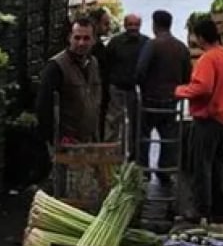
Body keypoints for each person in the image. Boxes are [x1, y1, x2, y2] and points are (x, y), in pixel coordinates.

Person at [174, 18, 223, 220]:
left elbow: (202, 87)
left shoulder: (208, 59)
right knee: (217, 165)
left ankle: (200, 209)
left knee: (201, 166)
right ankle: (219, 208)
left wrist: (180, 91)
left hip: (209, 120)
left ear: (201, 37)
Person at [36, 17, 104, 190]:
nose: (81, 43)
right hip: (65, 142)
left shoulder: (94, 63)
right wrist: (52, 140)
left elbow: (98, 99)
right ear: (69, 38)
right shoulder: (56, 67)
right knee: (63, 187)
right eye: (77, 37)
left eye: (86, 38)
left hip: (88, 141)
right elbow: (43, 107)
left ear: (94, 40)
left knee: (83, 187)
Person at [134, 10, 191, 179]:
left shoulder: (152, 45)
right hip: (171, 100)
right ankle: (164, 171)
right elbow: (188, 75)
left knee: (144, 136)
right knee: (168, 137)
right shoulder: (181, 48)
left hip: (150, 100)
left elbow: (140, 71)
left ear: (154, 25)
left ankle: (144, 172)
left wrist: (141, 86)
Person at [102, 13, 149, 159]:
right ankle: (112, 154)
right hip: (116, 87)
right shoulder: (115, 42)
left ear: (140, 25)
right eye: (130, 25)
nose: (133, 28)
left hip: (135, 89)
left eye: (136, 25)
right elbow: (106, 64)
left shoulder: (146, 43)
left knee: (135, 123)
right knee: (113, 121)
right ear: (124, 25)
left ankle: (132, 155)